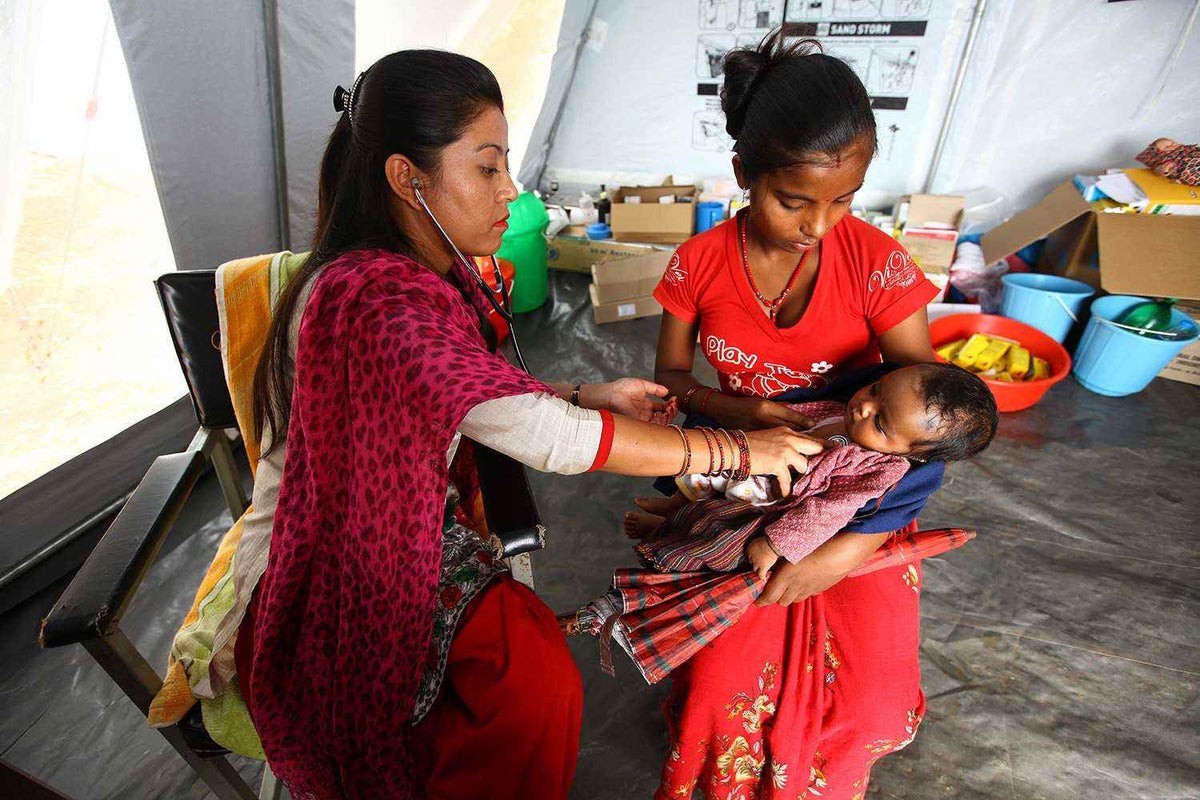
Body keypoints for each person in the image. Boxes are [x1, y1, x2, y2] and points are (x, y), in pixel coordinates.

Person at [224, 50, 820, 800]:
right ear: (409, 179)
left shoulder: (414, 277)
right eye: (487, 168)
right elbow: (545, 437)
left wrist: (586, 390)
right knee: (530, 684)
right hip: (336, 547)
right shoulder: (374, 299)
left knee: (528, 676)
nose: (512, 190)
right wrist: (735, 449)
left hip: (398, 516)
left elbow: (457, 393)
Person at [644, 32, 950, 799]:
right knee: (723, 689)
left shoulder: (877, 265)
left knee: (871, 690)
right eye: (794, 201)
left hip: (863, 497)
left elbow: (931, 425)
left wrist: (849, 548)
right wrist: (744, 411)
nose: (821, 226)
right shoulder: (698, 265)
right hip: (743, 486)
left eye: (844, 200)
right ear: (745, 173)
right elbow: (671, 380)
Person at [627, 363, 997, 580]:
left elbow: (827, 511)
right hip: (755, 465)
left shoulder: (878, 471)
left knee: (720, 534)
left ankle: (664, 535)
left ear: (911, 456)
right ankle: (669, 510)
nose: (863, 409)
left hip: (775, 504)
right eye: (875, 390)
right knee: (705, 473)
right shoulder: (841, 410)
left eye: (881, 423)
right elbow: (799, 417)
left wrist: (776, 545)